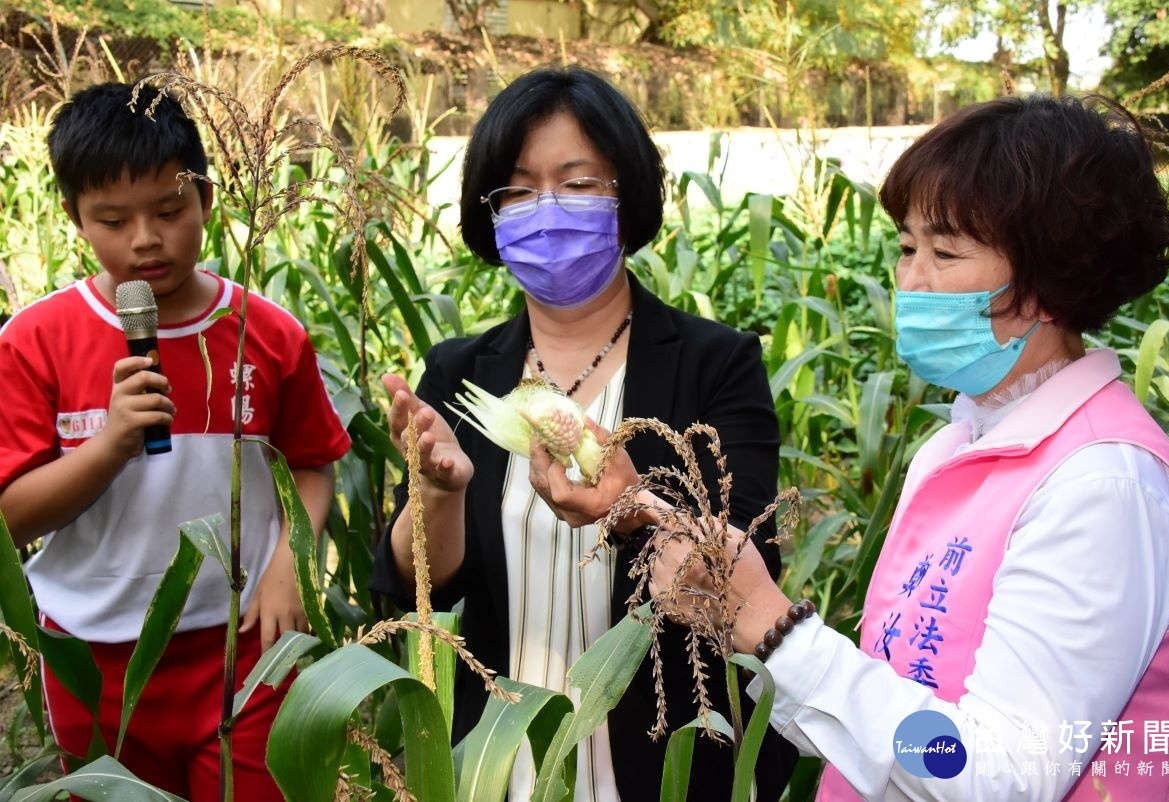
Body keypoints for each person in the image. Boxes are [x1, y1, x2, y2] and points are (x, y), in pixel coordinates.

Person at [533, 93, 1169, 801]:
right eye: (908, 247)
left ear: (1050, 283)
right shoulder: (961, 444)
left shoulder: (1103, 488)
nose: (910, 282)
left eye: (945, 252)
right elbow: (885, 709)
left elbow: (995, 774)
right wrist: (647, 515)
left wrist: (776, 629)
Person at [370, 65, 796, 800]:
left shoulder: (715, 364)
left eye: (577, 183)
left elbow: (749, 570)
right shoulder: (462, 371)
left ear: (628, 196)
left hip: (670, 763)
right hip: (501, 759)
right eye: (519, 189)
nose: (548, 209)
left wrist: (633, 512)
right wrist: (436, 491)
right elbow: (420, 585)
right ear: (490, 213)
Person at [0, 82, 351, 798]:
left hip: (242, 643)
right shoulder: (35, 341)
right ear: (73, 218)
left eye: (169, 210)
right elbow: (11, 514)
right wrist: (108, 447)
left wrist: (292, 561)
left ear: (207, 201)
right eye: (112, 219)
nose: (145, 240)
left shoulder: (268, 333)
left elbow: (313, 464)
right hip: (89, 655)